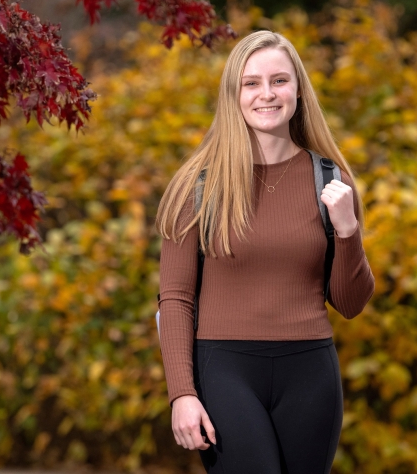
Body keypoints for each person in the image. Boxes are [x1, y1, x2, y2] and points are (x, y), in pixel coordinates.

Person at [155, 30, 375, 474]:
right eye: (251, 83)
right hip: (223, 370)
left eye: (279, 80)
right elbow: (175, 298)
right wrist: (182, 393)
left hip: (311, 374)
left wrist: (348, 230)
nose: (266, 94)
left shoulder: (331, 180)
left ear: (298, 90)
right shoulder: (197, 186)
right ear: (233, 94)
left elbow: (351, 304)